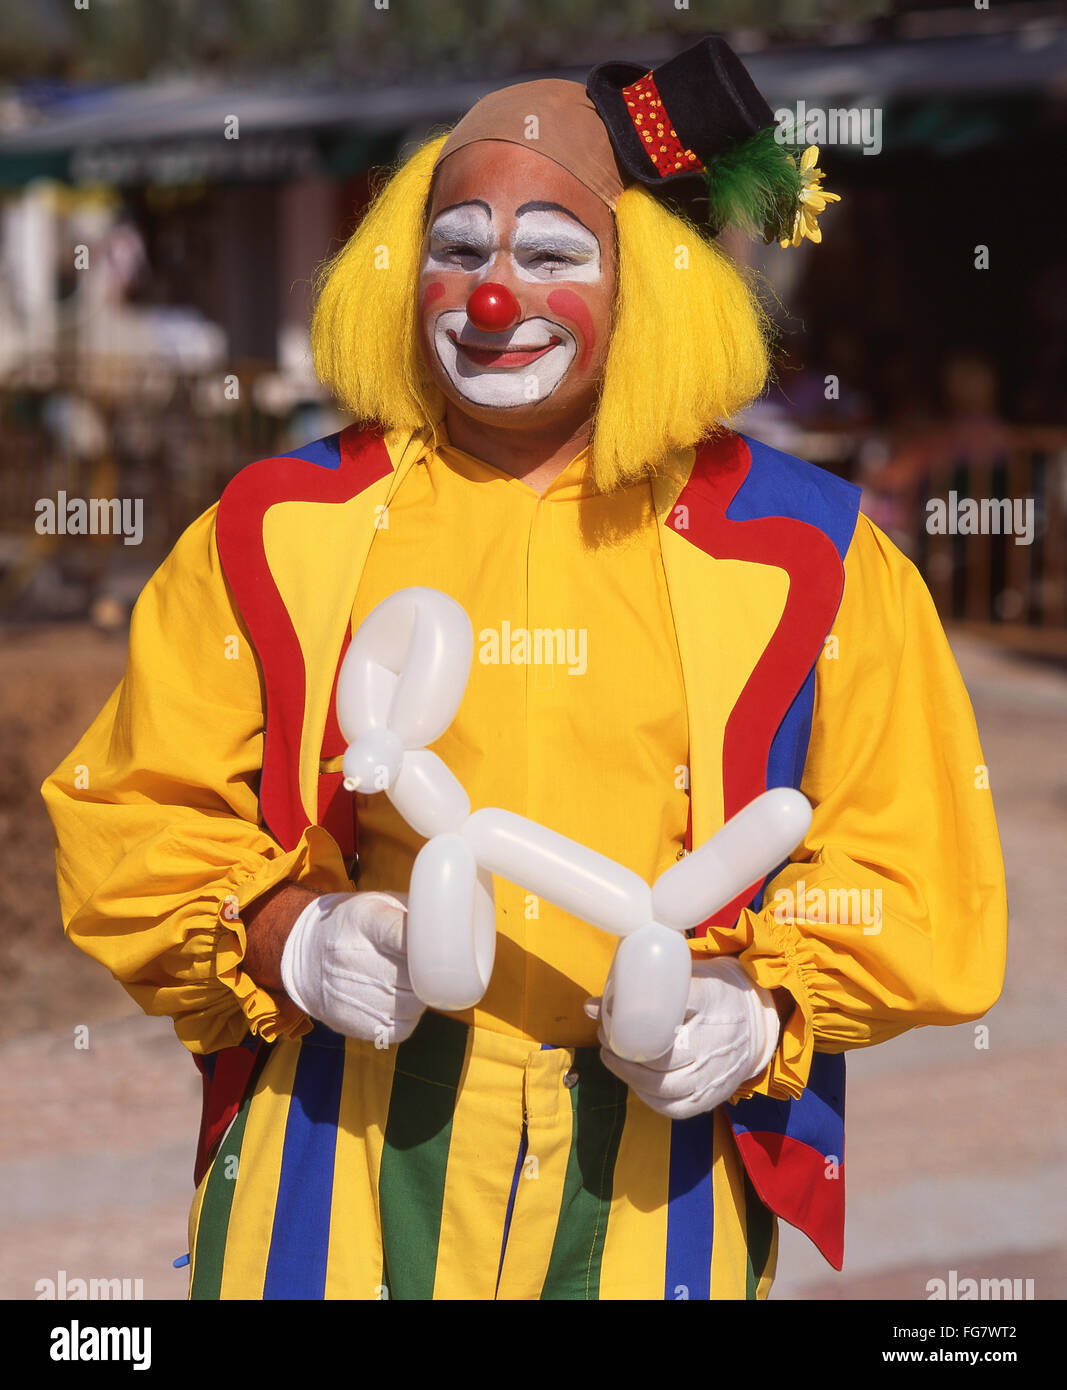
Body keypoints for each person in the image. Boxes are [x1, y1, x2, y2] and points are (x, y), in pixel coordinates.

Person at [42, 37, 1007, 1301]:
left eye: (551, 256)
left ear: (647, 284)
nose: (492, 298)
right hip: (340, 1132)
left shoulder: (810, 549)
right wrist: (285, 932)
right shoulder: (282, 521)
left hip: (656, 1158)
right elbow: (134, 805)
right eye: (458, 249)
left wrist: (761, 1002)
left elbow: (914, 862)